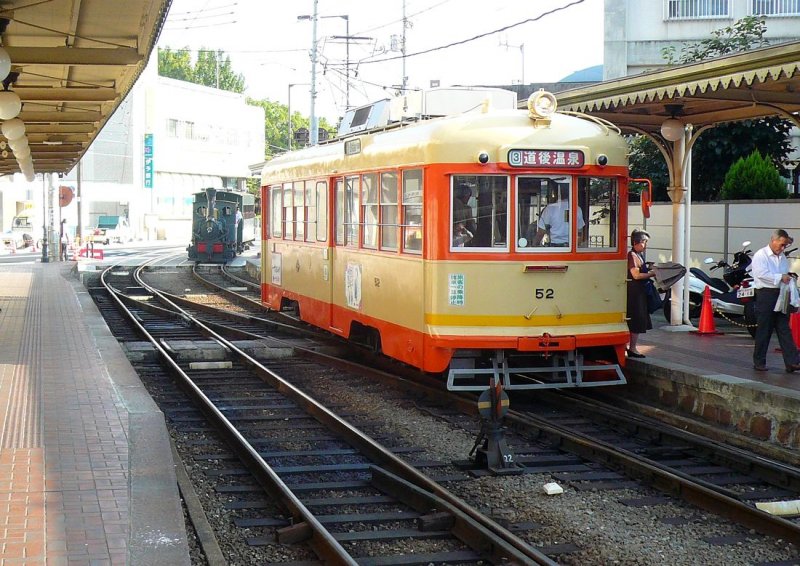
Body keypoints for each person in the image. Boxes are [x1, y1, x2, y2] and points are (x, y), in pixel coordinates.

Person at [750, 229, 800, 373]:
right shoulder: (761, 255)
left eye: (785, 246)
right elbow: (761, 274)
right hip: (766, 293)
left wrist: (787, 280)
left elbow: (784, 273)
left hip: (780, 293)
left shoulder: (782, 257)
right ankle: (759, 361)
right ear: (774, 240)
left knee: (784, 327)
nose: (783, 248)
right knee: (764, 328)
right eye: (782, 244)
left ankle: (792, 361)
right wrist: (780, 277)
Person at [626, 228, 656, 358]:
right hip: (634, 292)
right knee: (635, 320)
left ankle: (632, 347)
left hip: (639, 292)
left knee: (637, 320)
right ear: (636, 242)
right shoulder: (632, 255)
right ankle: (632, 348)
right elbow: (636, 275)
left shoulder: (638, 255)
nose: (645, 245)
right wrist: (652, 273)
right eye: (644, 242)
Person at [531, 182, 585, 247]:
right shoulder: (577, 209)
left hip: (555, 248)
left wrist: (533, 245)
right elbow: (580, 233)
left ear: (556, 193)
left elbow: (541, 233)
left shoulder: (549, 209)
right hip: (571, 247)